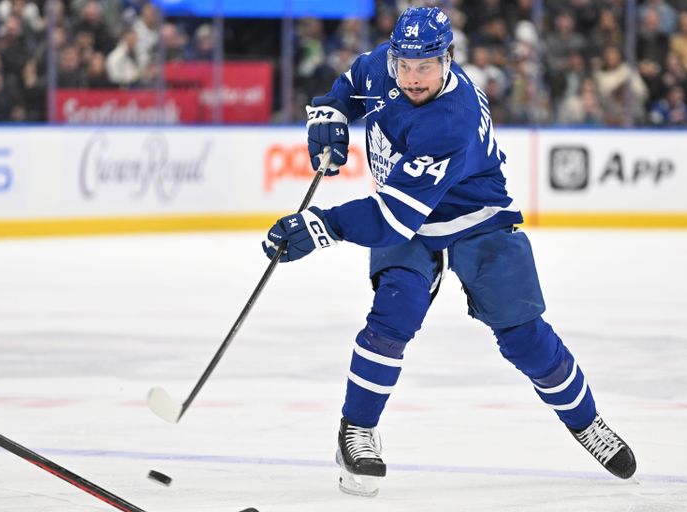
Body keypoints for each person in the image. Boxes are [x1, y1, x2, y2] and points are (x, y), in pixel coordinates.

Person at [261, 7, 637, 497]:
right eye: (406, 65)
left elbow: (391, 217)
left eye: (427, 66)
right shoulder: (385, 65)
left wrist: (320, 225)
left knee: (524, 334)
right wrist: (330, 113)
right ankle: (356, 429)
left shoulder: (450, 121)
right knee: (393, 314)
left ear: (449, 60)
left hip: (473, 216)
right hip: (408, 214)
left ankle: (586, 423)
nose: (414, 77)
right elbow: (351, 84)